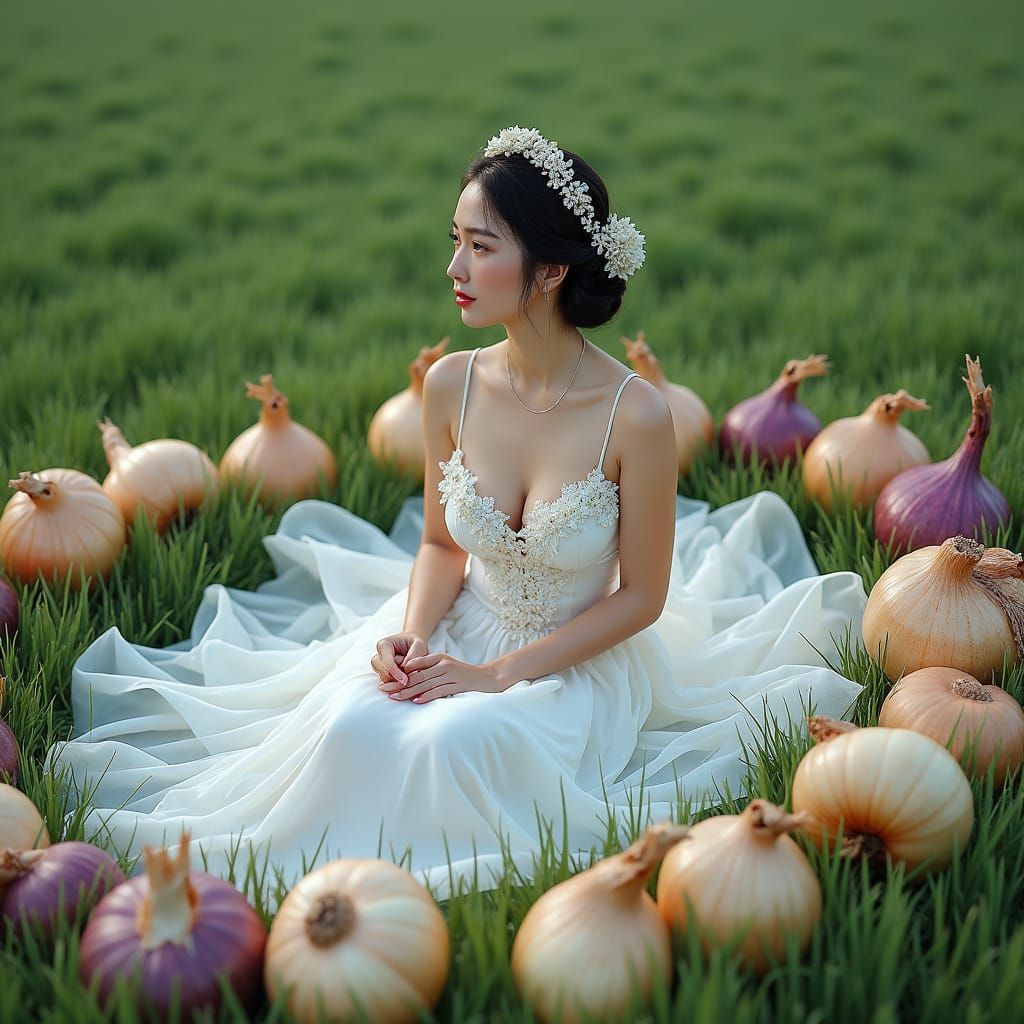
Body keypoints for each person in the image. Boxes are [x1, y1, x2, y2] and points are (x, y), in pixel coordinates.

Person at [47, 127, 867, 905]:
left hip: (572, 659)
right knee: (349, 725)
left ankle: (399, 894)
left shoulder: (636, 415)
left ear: (548, 272)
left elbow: (642, 598)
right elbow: (441, 542)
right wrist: (418, 633)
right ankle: (315, 895)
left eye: (481, 246)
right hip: (460, 620)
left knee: (456, 743)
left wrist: (497, 676)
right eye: (456, 240)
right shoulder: (452, 385)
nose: (455, 266)